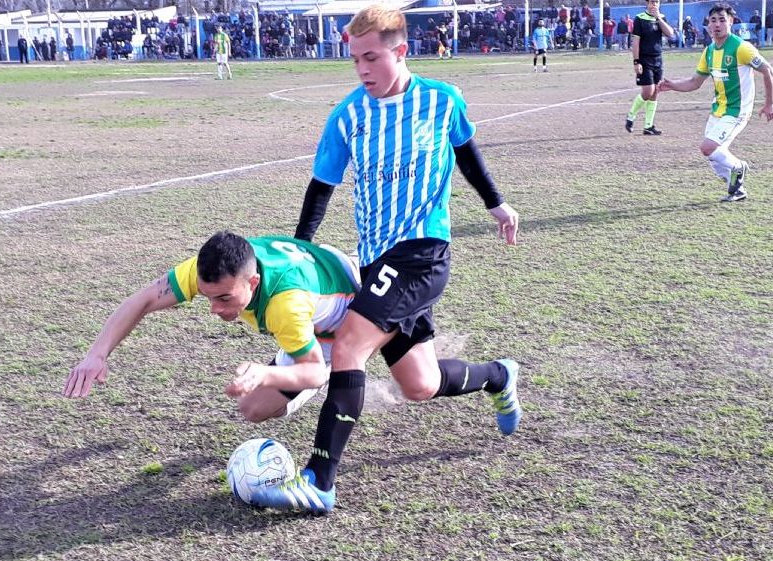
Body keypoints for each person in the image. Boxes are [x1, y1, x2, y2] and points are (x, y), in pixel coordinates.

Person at [250, 4, 522, 514]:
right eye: (354, 60)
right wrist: (298, 252)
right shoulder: (348, 114)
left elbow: (466, 152)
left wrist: (496, 203)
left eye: (371, 57)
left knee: (350, 344)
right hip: (376, 260)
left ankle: (319, 480)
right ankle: (500, 376)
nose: (362, 69)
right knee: (421, 384)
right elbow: (321, 187)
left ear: (401, 51)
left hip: (422, 251)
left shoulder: (443, 100)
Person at [63, 232, 359, 423]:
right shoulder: (215, 268)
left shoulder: (285, 305)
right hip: (322, 278)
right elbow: (143, 299)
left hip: (352, 313)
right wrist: (96, 355)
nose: (214, 309)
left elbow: (315, 372)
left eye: (224, 298)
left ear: (253, 282)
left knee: (408, 385)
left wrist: (266, 373)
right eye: (208, 296)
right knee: (252, 409)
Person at [659, 4, 773, 202]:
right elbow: (695, 82)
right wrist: (673, 85)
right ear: (708, 25)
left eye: (722, 20)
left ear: (731, 22)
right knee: (713, 155)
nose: (717, 24)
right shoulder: (709, 51)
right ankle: (737, 189)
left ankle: (739, 167)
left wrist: (769, 103)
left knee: (707, 147)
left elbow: (767, 70)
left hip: (736, 112)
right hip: (717, 110)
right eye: (713, 20)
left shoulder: (741, 47)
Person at [624, 0, 675, 135]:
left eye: (657, 2)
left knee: (656, 91)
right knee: (648, 91)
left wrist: (658, 18)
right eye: (652, 2)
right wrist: (636, 62)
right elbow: (635, 42)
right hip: (644, 59)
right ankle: (631, 116)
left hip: (658, 59)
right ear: (647, 3)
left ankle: (648, 125)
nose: (654, 4)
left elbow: (670, 34)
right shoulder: (640, 18)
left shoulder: (661, 18)